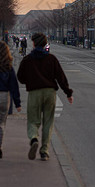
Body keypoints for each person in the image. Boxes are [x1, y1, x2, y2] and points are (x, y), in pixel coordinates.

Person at [17, 33, 73, 161]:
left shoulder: (27, 60)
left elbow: (20, 76)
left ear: (34, 43)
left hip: (34, 92)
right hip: (50, 92)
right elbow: (61, 77)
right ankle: (44, 151)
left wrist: (30, 81)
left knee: (33, 120)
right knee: (48, 122)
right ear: (45, 44)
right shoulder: (52, 59)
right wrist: (68, 93)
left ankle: (33, 138)